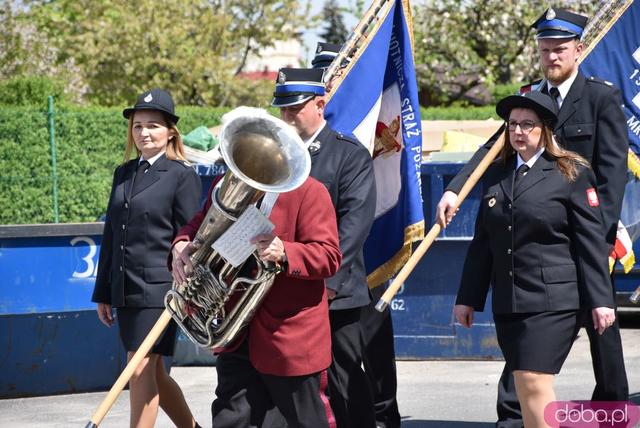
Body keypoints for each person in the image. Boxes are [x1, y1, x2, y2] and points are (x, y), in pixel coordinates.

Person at [436, 8, 629, 427]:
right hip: (531, 234)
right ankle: (515, 415)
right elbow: (490, 151)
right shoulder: (527, 101)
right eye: (544, 50)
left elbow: (612, 176)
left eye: (559, 50)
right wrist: (455, 188)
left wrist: (601, 239)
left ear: (578, 50)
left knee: (603, 331)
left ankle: (612, 409)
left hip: (586, 234)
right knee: (527, 331)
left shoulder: (599, 96)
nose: (551, 58)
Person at [454, 91, 616, 428]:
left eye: (527, 125)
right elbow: (484, 242)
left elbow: (590, 243)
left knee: (533, 380)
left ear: (545, 129)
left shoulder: (569, 172)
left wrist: (601, 300)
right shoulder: (497, 175)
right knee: (527, 389)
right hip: (510, 300)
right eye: (512, 124)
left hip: (554, 300)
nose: (518, 132)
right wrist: (468, 298)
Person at [171, 161, 342, 427]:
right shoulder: (225, 185)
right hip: (236, 335)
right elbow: (199, 225)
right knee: (230, 420)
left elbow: (329, 256)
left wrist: (285, 251)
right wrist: (181, 242)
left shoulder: (310, 191)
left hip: (288, 339)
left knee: (307, 422)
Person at [272, 67, 378, 428]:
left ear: (320, 104)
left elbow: (354, 223)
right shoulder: (274, 154)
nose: (286, 116)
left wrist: (329, 282)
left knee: (343, 377)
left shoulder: (348, 154)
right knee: (291, 383)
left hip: (336, 290)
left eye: (294, 109)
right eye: (282, 109)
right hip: (284, 287)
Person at [92, 88, 202, 428]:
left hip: (161, 289)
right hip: (125, 287)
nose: (144, 133)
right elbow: (111, 234)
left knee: (138, 366)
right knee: (150, 369)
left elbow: (190, 237)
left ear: (170, 131)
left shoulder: (182, 175)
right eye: (138, 126)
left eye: (153, 125)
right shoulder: (122, 173)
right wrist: (103, 292)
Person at [312, 42, 402, 428]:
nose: (332, 84)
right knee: (330, 367)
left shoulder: (368, 109)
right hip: (318, 264)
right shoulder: (314, 129)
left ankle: (383, 416)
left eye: (338, 75)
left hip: (358, 257)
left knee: (367, 352)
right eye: (325, 77)